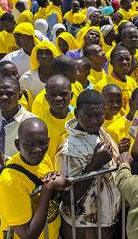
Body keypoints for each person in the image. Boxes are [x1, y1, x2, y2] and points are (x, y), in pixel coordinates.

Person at [56, 89, 121, 238]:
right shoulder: (68, 150)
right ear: (76, 113)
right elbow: (67, 199)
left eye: (98, 115)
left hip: (107, 219)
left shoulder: (100, 130)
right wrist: (94, 164)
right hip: (84, 226)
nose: (93, 121)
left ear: (104, 112)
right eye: (87, 115)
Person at [0, 117, 68, 239]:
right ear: (17, 145)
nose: (37, 149)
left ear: (48, 141)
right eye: (29, 144)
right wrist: (48, 187)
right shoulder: (11, 182)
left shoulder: (44, 159)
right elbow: (28, 235)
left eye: (42, 143)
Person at [0, 77, 35, 165]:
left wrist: (4, 159)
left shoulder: (31, 122)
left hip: (18, 174)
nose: (4, 97)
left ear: (19, 96)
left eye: (10, 94)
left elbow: (33, 159)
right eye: (0, 93)